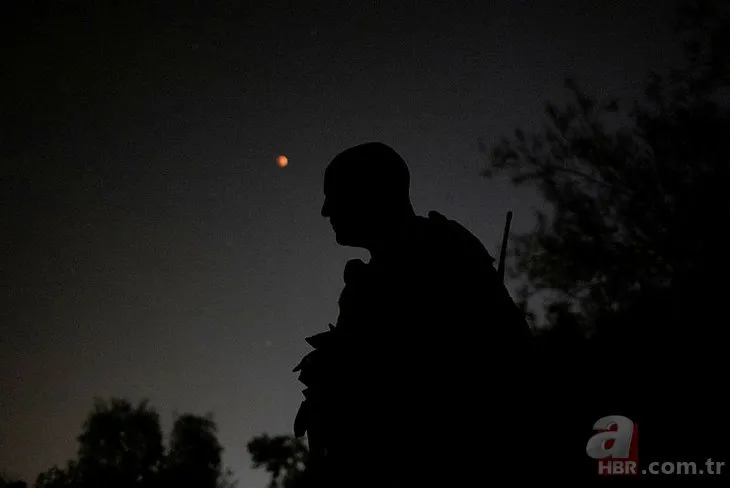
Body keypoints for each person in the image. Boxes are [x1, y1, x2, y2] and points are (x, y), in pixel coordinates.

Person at [293, 142, 535, 487]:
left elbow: (507, 361)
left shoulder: (442, 248)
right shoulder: (361, 287)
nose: (325, 210)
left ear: (371, 193)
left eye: (335, 194)